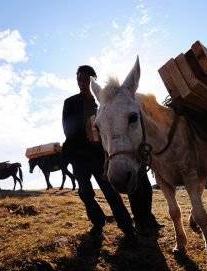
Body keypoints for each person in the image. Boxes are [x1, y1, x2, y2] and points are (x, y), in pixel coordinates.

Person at [62, 65, 161, 238]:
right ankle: (98, 221)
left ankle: (128, 228)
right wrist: (87, 132)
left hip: (100, 155)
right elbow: (68, 129)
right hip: (79, 156)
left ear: (93, 80)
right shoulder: (70, 103)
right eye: (79, 79)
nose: (82, 83)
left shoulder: (105, 102)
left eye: (86, 79)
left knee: (111, 193)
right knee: (85, 192)